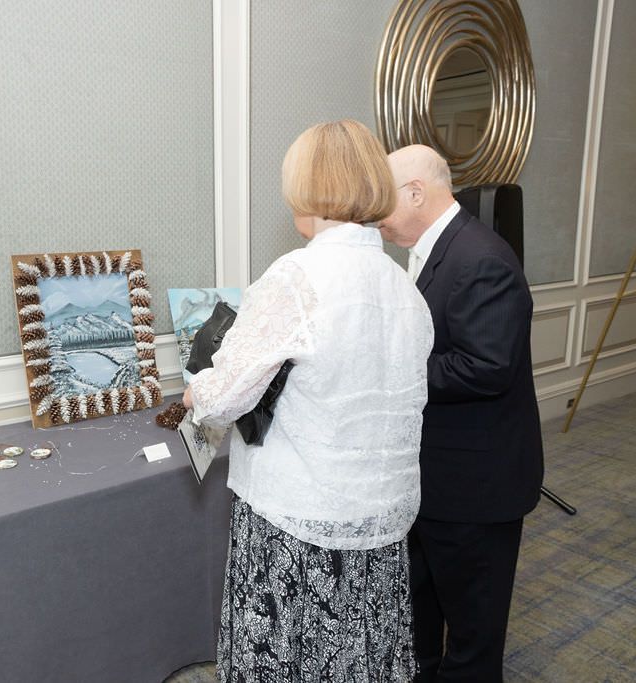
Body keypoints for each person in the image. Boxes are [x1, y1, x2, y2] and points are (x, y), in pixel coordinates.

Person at [182, 120, 434, 681]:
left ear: (310, 187)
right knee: (360, 659)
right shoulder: (404, 287)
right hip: (380, 521)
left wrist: (196, 388)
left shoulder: (298, 277)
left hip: (299, 523)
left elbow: (221, 400)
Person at [378, 144, 544, 682]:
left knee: (473, 639)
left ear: (415, 194)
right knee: (421, 616)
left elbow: (486, 367)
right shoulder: (432, 251)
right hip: (432, 479)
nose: (375, 211)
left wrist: (386, 374)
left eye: (383, 197)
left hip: (476, 487)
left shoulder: (482, 259)